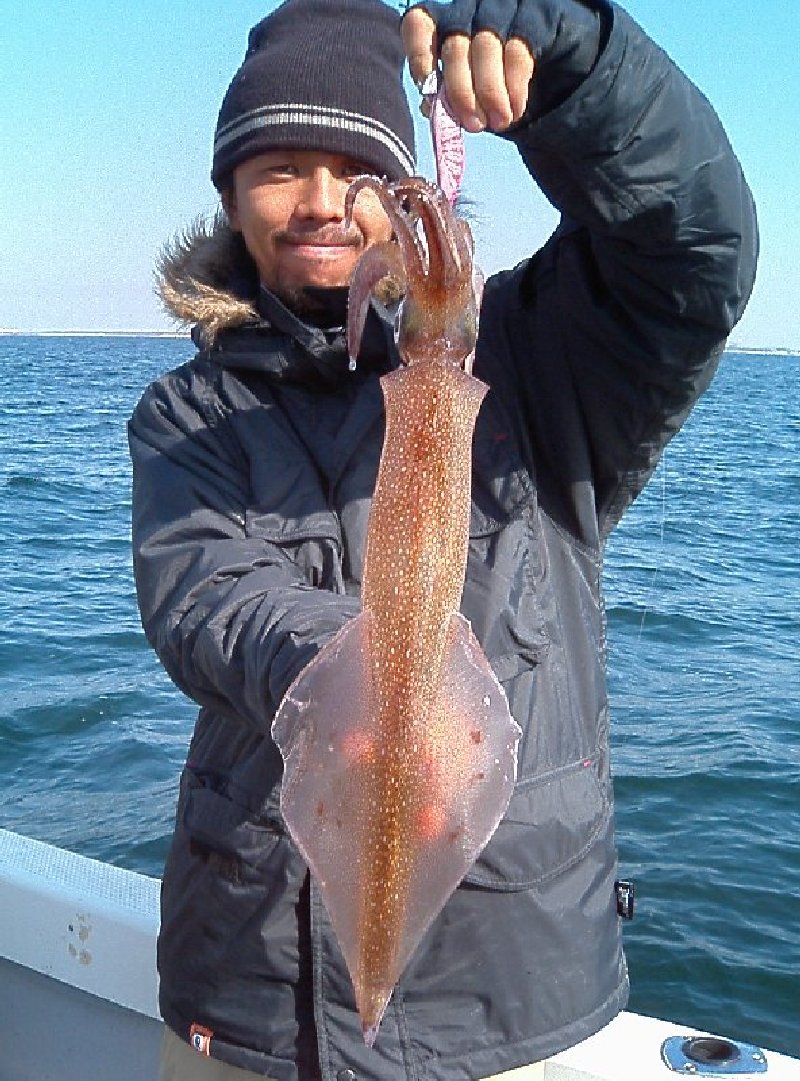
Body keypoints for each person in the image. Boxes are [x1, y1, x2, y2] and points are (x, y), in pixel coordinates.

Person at [129, 0, 758, 1078]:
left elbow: (691, 247)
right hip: (248, 997)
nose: (321, 201)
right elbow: (206, 596)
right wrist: (371, 680)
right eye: (280, 168)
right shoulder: (187, 417)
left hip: (503, 1006)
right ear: (230, 196)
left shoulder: (543, 364)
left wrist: (582, 74)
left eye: (357, 171)